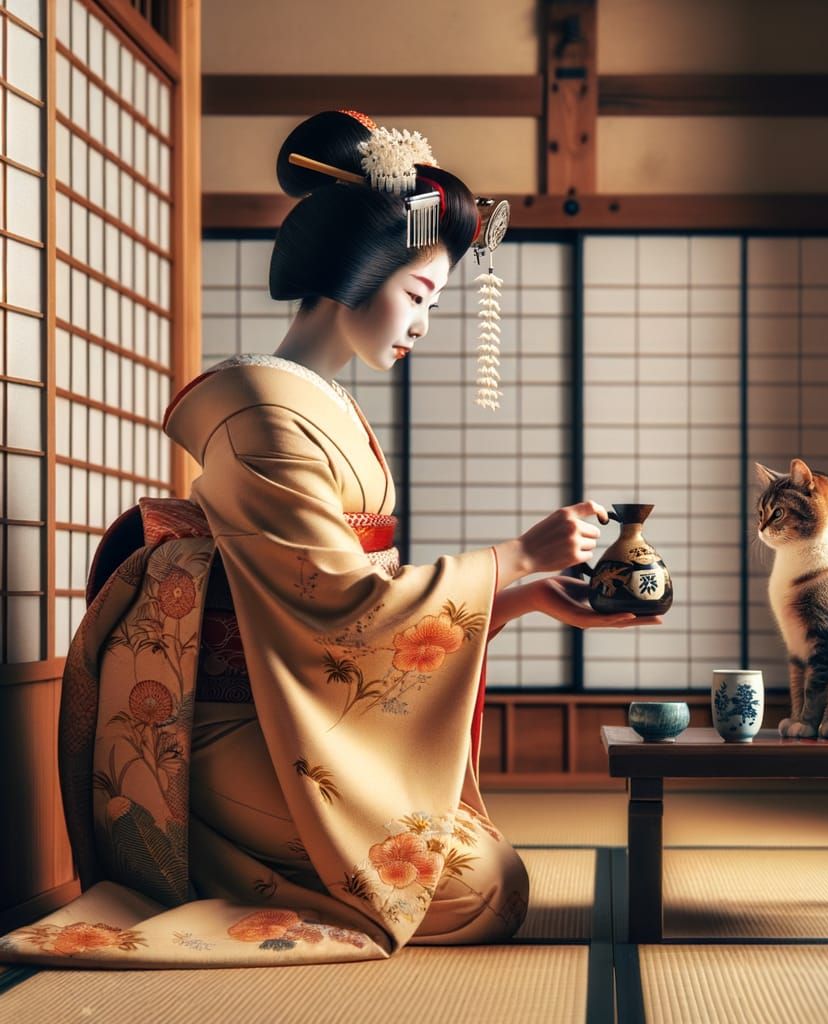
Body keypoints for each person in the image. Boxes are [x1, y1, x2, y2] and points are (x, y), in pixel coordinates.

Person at [0, 110, 660, 968]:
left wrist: (522, 596)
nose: (424, 324)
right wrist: (516, 558)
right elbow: (336, 605)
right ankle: (225, 867)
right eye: (418, 295)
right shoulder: (261, 413)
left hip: (309, 714)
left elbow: (355, 615)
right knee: (483, 889)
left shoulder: (322, 406)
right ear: (356, 270)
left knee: (486, 876)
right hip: (236, 726)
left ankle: (286, 866)